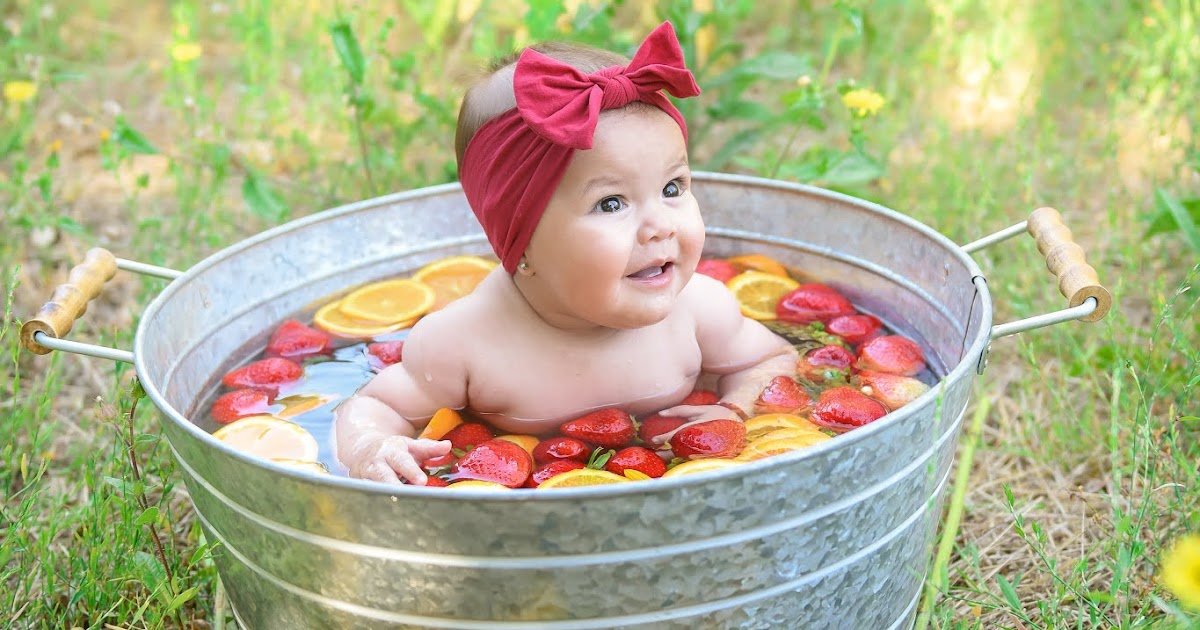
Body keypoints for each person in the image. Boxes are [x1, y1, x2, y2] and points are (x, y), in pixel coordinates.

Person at [333, 22, 798, 485]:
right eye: (611, 203)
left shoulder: (699, 310)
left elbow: (770, 359)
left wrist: (734, 408)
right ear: (521, 240)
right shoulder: (462, 344)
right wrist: (373, 446)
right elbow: (375, 406)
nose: (661, 225)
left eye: (672, 188)